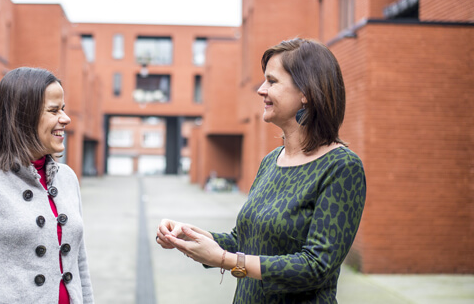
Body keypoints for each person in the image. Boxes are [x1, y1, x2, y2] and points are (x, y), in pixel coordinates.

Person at [156, 38, 366, 303]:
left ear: (306, 93)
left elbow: (316, 267)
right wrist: (190, 236)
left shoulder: (341, 167)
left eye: (272, 81)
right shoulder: (271, 161)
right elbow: (243, 241)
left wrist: (225, 260)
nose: (261, 90)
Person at [0, 67, 94, 304]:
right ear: (23, 117)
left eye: (62, 109)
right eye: (53, 110)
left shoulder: (67, 179)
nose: (65, 118)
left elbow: (79, 264)